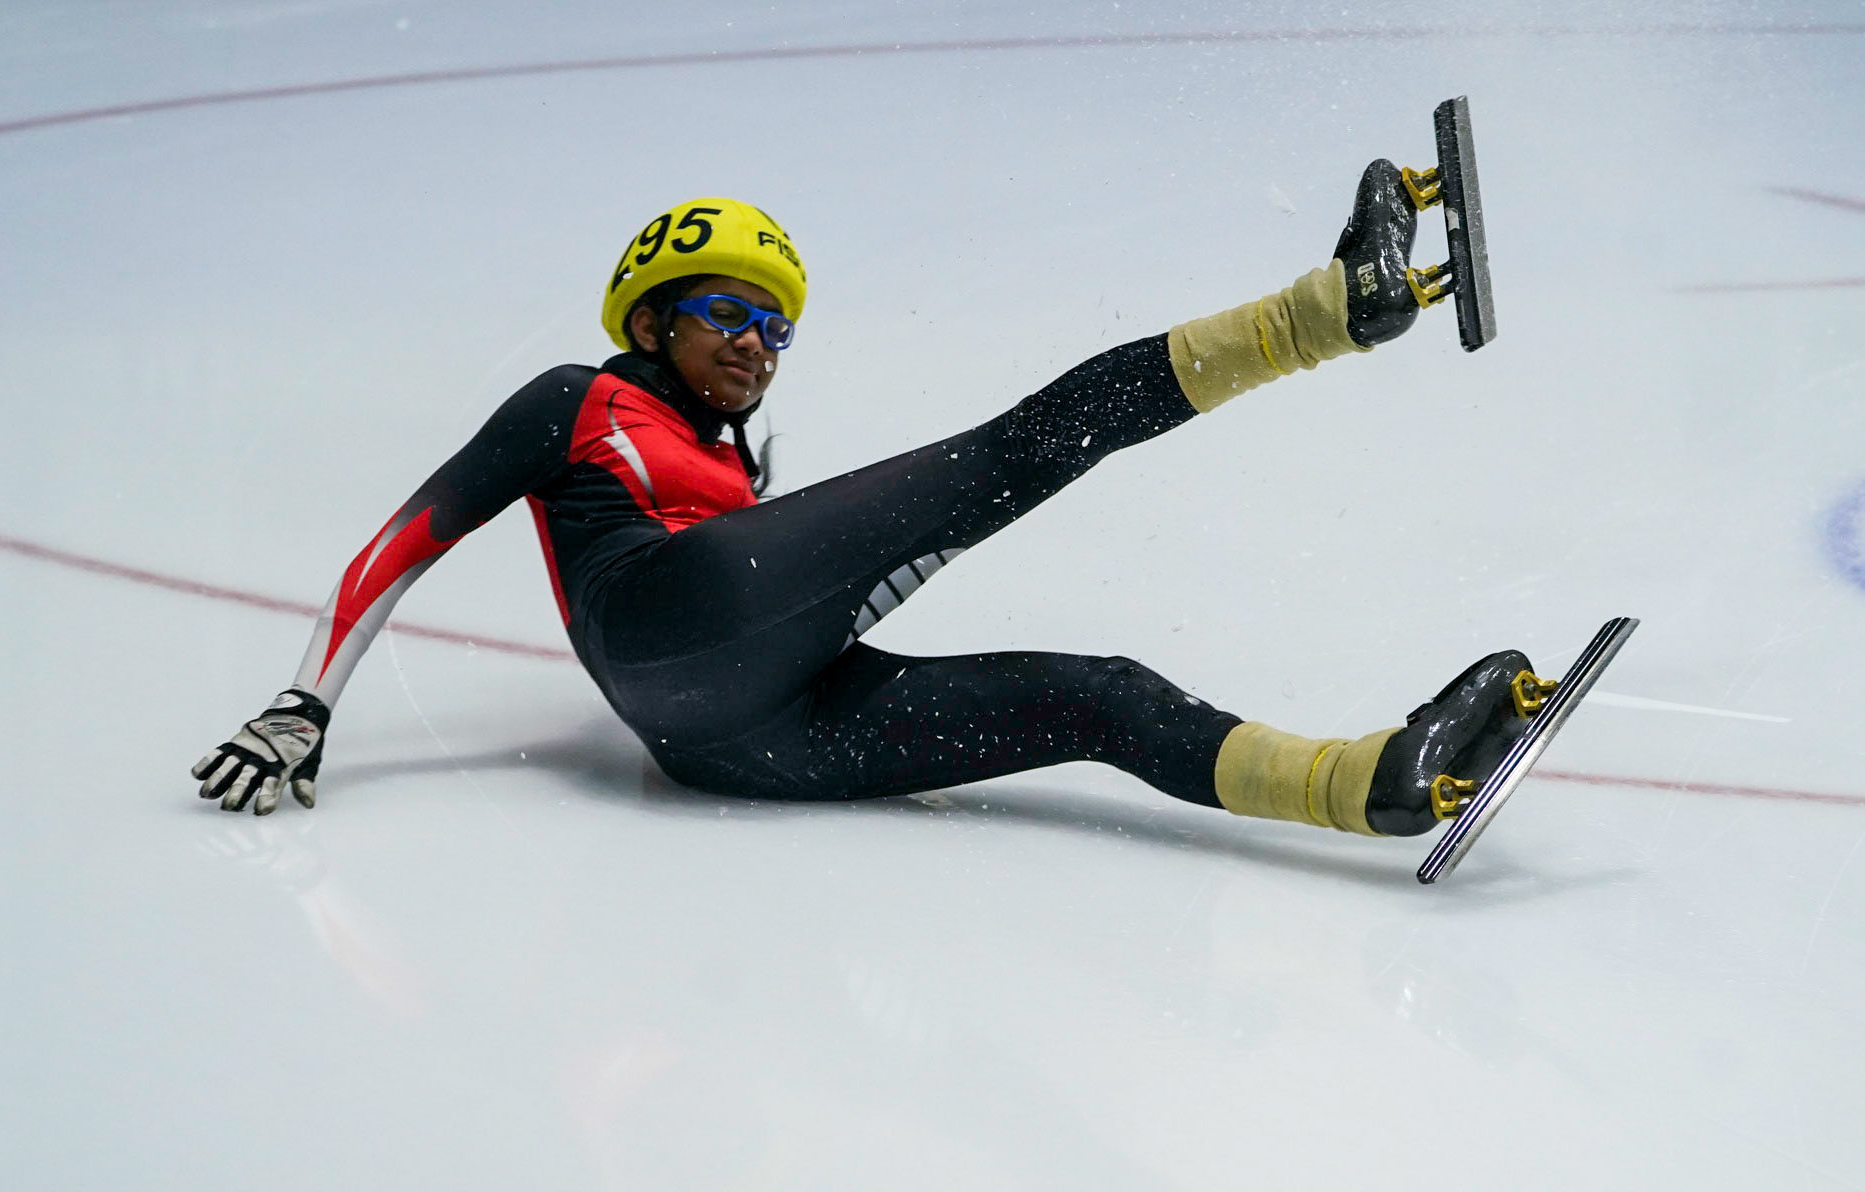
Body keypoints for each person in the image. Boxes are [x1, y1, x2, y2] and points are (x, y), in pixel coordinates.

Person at [193, 172, 1537, 840]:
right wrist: (306, 700)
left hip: (730, 745)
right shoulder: (576, 400)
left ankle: (1366, 786)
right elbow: (414, 531)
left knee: (1095, 695)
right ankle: (1326, 308)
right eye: (727, 313)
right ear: (649, 317)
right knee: (1018, 451)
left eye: (775, 330)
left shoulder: (733, 469)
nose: (755, 344)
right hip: (681, 623)